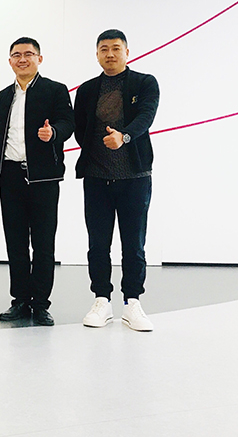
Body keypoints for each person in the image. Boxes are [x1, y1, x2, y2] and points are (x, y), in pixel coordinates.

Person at [74, 29, 159, 332]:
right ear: (97, 54)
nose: (109, 54)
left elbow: (146, 117)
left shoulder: (145, 83)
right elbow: (80, 128)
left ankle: (132, 302)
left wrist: (124, 137)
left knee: (133, 244)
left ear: (126, 52)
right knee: (98, 244)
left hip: (134, 178)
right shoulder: (87, 90)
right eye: (103, 49)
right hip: (97, 178)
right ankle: (101, 300)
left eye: (115, 48)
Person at [0, 37, 74, 326]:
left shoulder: (55, 90)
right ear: (10, 61)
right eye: (16, 55)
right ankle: (20, 300)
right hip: (10, 176)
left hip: (43, 177)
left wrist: (54, 133)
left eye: (28, 54)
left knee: (43, 243)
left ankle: (40, 304)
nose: (22, 59)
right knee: (15, 243)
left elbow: (68, 123)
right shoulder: (2, 97)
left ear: (40, 58)